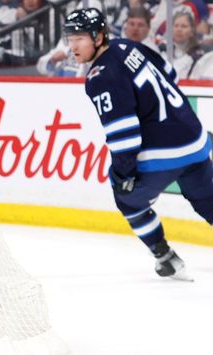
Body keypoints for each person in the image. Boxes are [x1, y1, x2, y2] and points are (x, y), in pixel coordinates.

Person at [65, 8, 213, 279]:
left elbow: (125, 133)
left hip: (163, 151)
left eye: (80, 38)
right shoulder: (129, 45)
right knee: (208, 200)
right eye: (70, 38)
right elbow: (171, 75)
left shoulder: (100, 77)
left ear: (98, 37)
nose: (73, 46)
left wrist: (123, 175)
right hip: (194, 138)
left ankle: (165, 258)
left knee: (127, 199)